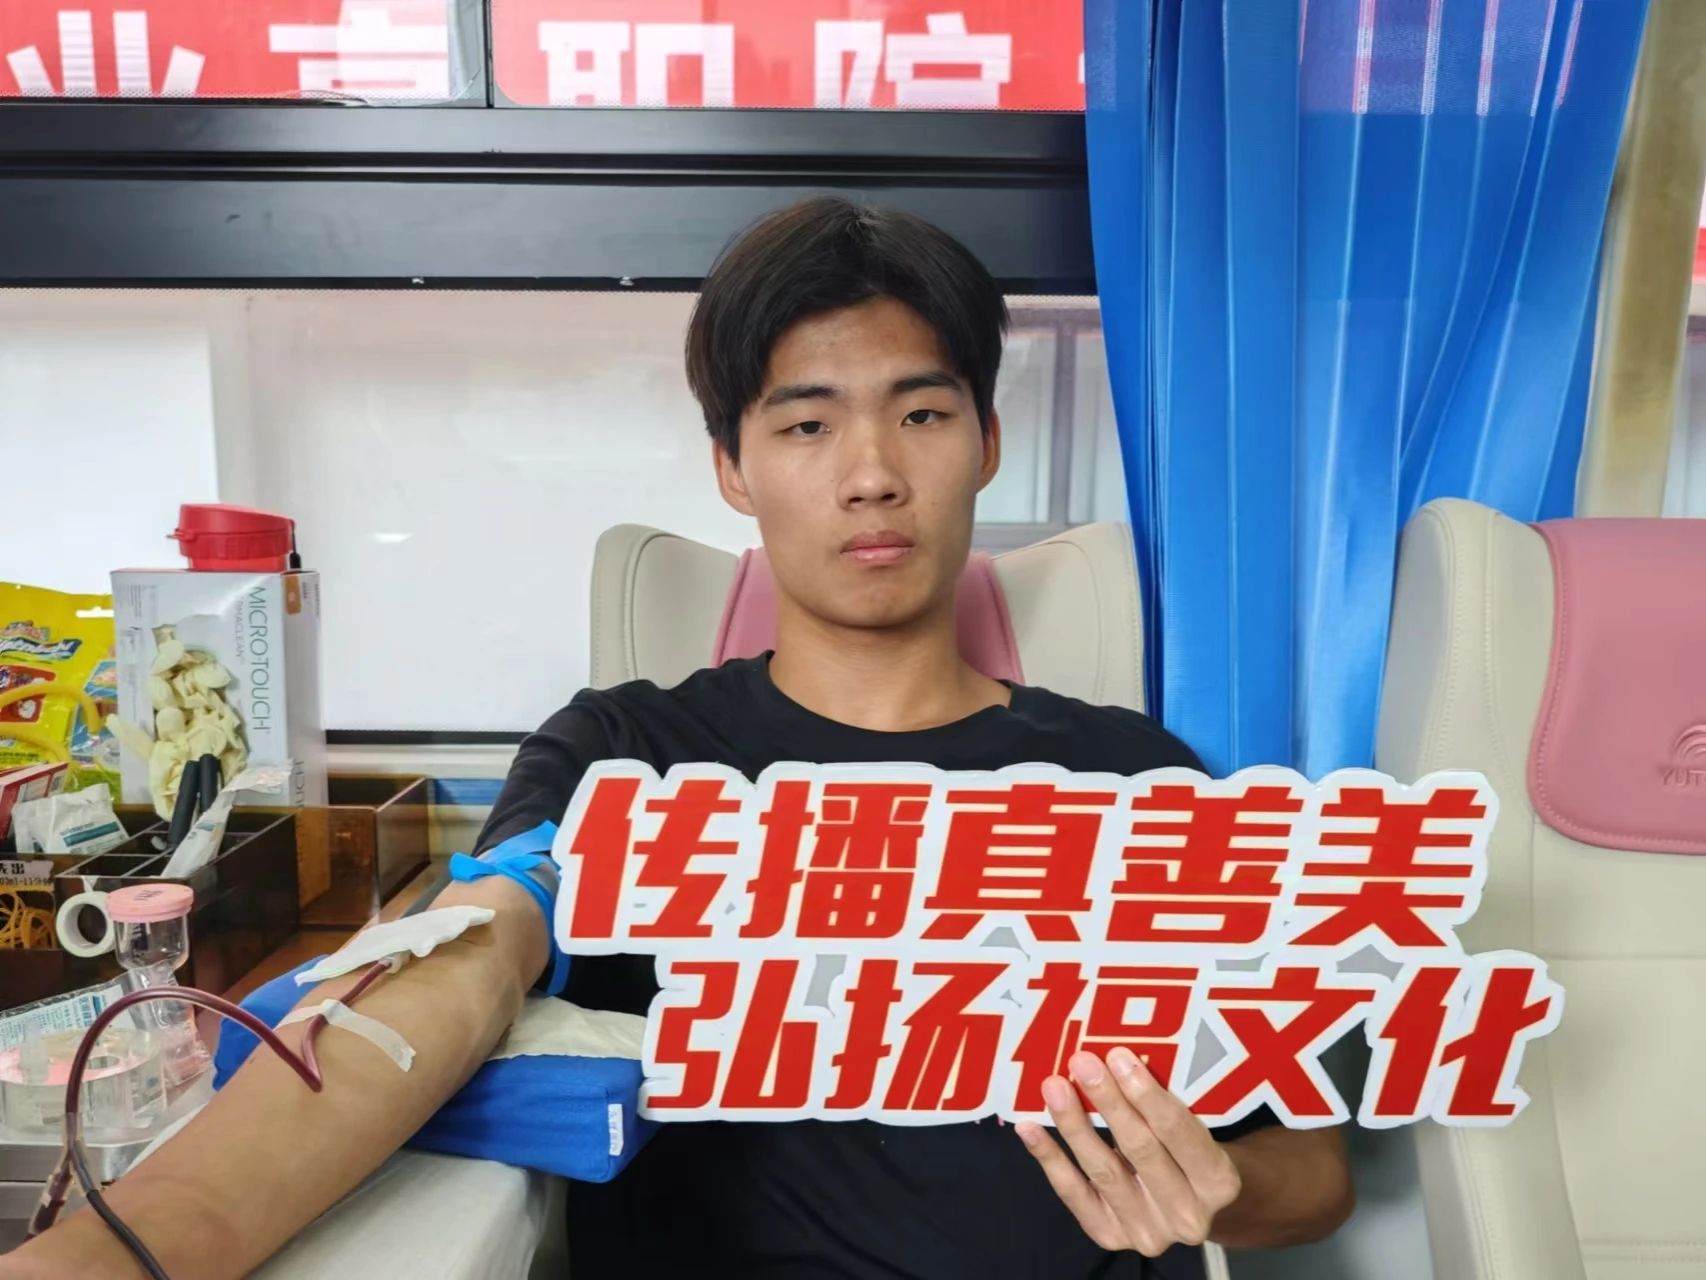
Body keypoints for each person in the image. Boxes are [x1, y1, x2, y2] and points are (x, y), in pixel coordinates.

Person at [1, 198, 1352, 1280]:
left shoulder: (1132, 780)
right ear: (732, 465)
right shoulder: (627, 755)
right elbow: (461, 960)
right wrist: (143, 1245)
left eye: (922, 414)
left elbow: (1311, 1175)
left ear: (986, 441)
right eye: (806, 423)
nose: (871, 474)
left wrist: (1215, 1190)